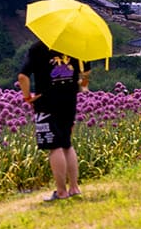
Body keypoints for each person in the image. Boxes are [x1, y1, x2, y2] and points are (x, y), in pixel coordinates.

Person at [17, 40, 91, 202]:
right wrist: (82, 85)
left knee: (54, 146)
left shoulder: (37, 48)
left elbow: (23, 76)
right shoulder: (75, 46)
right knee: (66, 143)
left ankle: (61, 192)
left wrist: (27, 96)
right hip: (69, 100)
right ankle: (74, 187)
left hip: (46, 102)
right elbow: (85, 75)